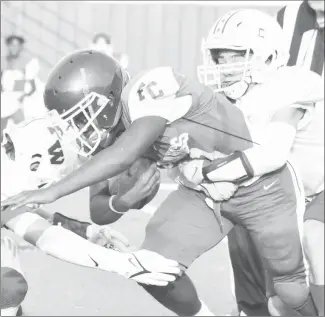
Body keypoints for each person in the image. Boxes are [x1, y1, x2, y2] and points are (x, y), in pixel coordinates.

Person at [1, 41, 318, 315]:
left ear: (106, 97)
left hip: (262, 185)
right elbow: (75, 217)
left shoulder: (148, 88)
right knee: (150, 264)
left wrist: (54, 194)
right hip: (205, 193)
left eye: (83, 115)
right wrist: (119, 210)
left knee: (290, 293)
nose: (80, 129)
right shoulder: (114, 140)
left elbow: (123, 156)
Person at [192, 8, 324, 316]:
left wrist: (208, 172)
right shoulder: (231, 100)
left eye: (237, 56)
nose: (226, 67)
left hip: (314, 192)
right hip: (276, 198)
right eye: (220, 58)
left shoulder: (294, 85)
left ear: (267, 57)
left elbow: (270, 155)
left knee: (311, 247)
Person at [0, 116, 181, 315]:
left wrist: (88, 232)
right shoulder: (9, 181)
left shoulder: (8, 174)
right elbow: (45, 238)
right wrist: (124, 265)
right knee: (9, 286)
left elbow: (27, 219)